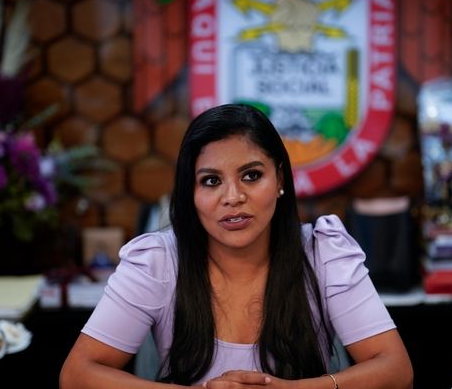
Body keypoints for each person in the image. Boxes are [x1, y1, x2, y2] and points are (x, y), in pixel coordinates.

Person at [60, 104, 413, 388]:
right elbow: (78, 374)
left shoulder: (324, 252)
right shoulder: (157, 260)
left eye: (251, 175)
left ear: (279, 179)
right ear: (191, 193)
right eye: (211, 181)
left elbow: (396, 370)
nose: (233, 197)